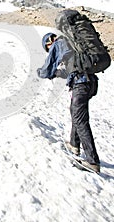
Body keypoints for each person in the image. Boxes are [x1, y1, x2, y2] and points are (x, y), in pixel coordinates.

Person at [37, 32, 100, 173]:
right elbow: (70, 70)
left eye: (47, 48)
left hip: (81, 84)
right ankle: (74, 144)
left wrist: (40, 72)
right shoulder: (72, 44)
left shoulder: (58, 43)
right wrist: (58, 73)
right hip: (90, 83)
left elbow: (48, 69)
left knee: (80, 120)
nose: (49, 49)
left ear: (49, 41)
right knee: (75, 112)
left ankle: (92, 161)